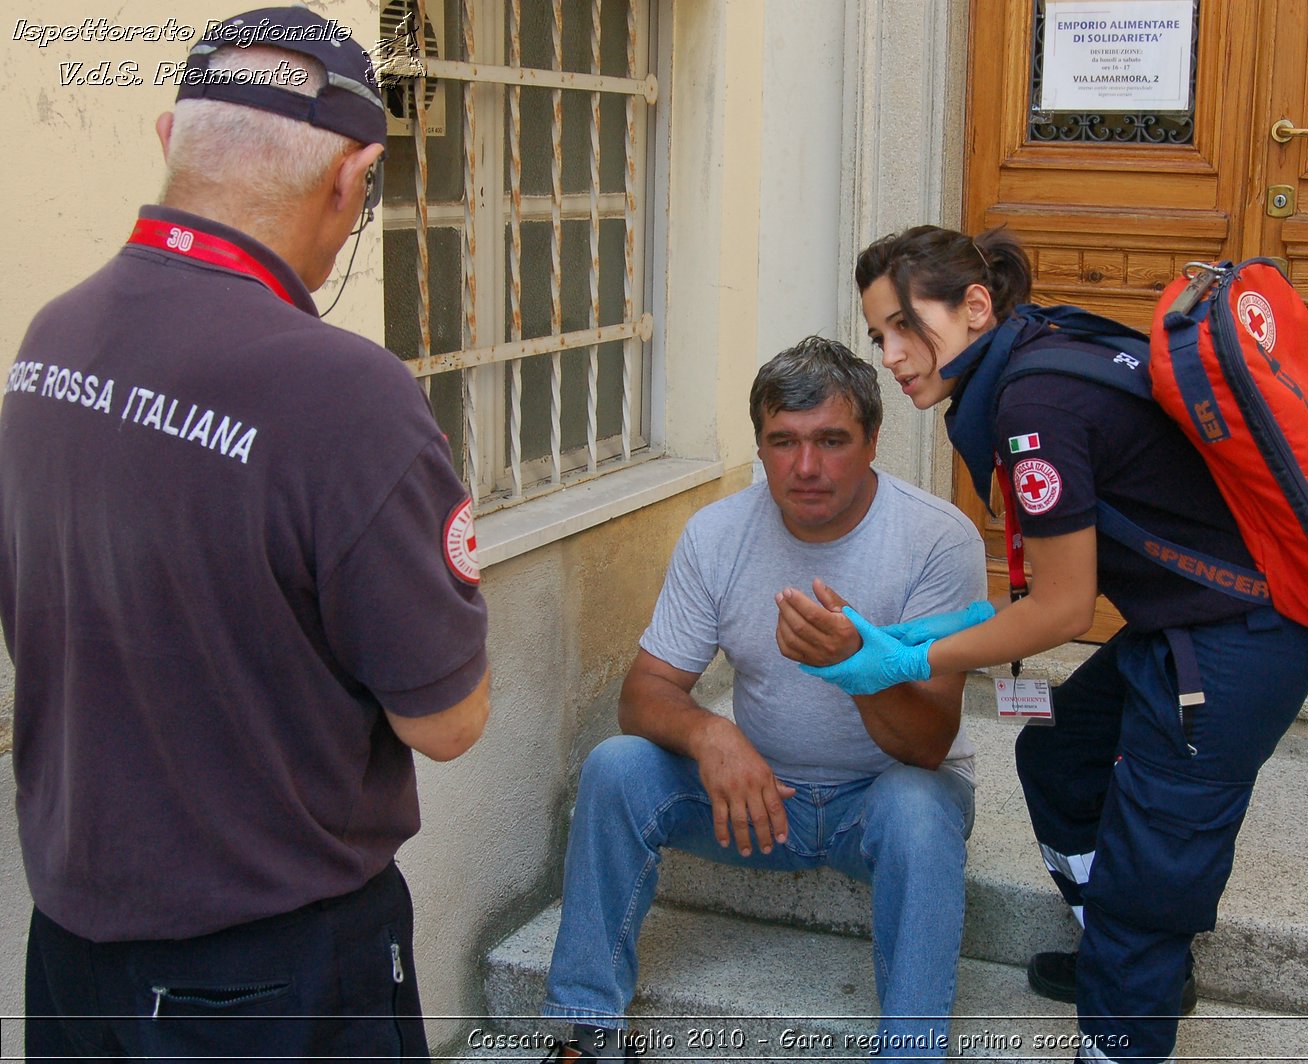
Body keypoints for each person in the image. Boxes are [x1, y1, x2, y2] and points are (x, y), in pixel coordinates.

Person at [0, 8, 490, 1060]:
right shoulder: (348, 392)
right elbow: (446, 722)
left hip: (72, 955)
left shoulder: (50, 340)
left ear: (171, 135)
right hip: (269, 974)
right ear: (349, 179)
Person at [803, 226, 1308, 1064]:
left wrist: (906, 660)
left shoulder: (1031, 405)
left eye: (906, 326)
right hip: (1187, 631)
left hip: (1233, 650)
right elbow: (1057, 590)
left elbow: (1063, 610)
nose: (893, 356)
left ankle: (1124, 1002)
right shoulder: (1040, 346)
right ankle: (1111, 939)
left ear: (976, 307)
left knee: (1142, 899)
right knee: (1060, 752)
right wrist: (937, 628)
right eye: (878, 336)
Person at [539, 336, 986, 1062]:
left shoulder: (938, 540)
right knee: (616, 766)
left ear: (873, 441)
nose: (805, 467)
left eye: (831, 440)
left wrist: (854, 667)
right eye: (783, 442)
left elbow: (928, 745)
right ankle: (585, 1033)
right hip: (758, 804)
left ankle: (910, 1053)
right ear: (760, 445)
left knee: (920, 804)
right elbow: (646, 693)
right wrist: (714, 738)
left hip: (877, 803)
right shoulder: (717, 534)